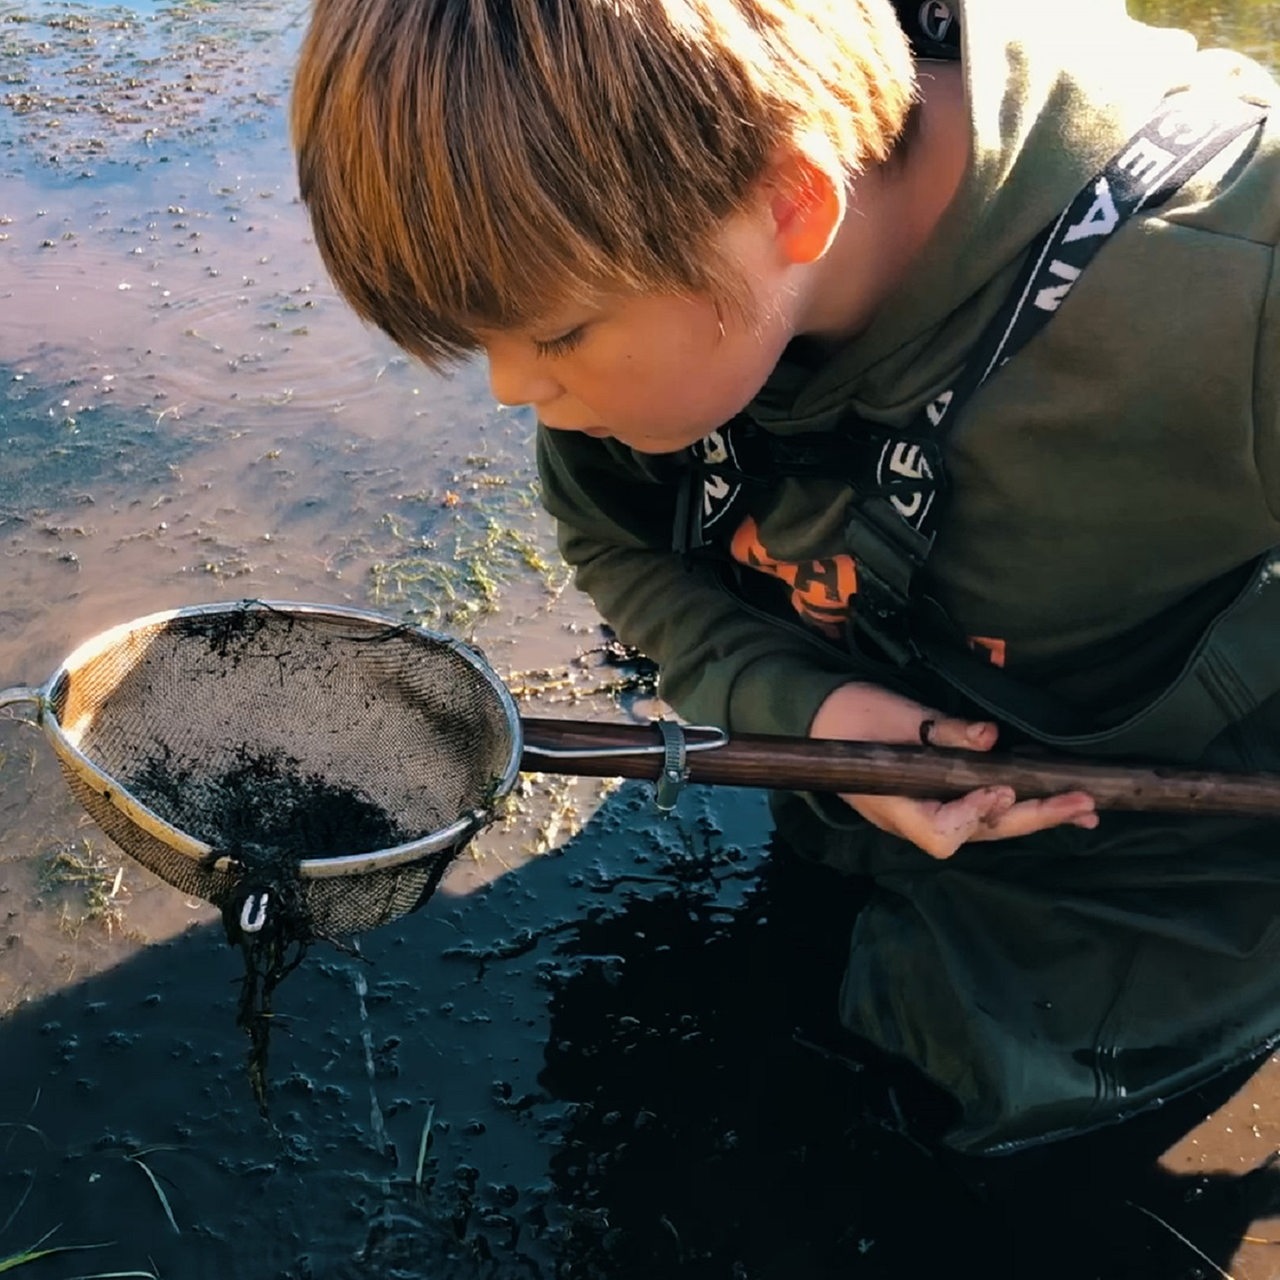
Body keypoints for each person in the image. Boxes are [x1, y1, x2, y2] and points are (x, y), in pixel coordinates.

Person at [290, 0, 1280, 1154]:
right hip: (877, 724)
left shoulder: (1233, 272)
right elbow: (618, 543)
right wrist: (804, 708)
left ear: (792, 205)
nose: (514, 388)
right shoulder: (642, 236)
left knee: (955, 1094)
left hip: (1167, 828)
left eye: (555, 338)